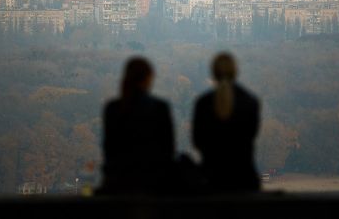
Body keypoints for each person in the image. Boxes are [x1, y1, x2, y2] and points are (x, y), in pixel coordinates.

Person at [99, 57, 175, 194]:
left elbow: (109, 149)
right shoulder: (160, 108)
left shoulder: (113, 108)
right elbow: (168, 151)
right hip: (153, 184)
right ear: (148, 78)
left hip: (119, 184)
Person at [192, 52, 261, 193]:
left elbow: (197, 141)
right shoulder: (250, 102)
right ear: (235, 71)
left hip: (211, 180)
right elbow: (251, 136)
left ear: (213, 73)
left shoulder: (203, 103)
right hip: (244, 180)